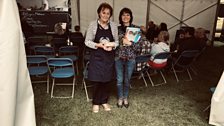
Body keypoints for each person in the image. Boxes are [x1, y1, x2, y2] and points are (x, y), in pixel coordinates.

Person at [84, 2, 118, 113]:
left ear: (110, 15)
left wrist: (112, 46)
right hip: (97, 56)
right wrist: (98, 45)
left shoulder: (113, 26)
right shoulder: (93, 25)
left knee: (106, 80)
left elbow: (117, 42)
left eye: (108, 13)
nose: (105, 15)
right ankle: (95, 102)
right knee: (97, 80)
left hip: (109, 57)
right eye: (103, 13)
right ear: (99, 13)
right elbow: (87, 41)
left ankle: (104, 101)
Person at [115, 7, 143, 108]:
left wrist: (130, 43)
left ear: (131, 17)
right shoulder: (116, 29)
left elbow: (139, 47)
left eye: (127, 15)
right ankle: (120, 97)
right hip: (118, 58)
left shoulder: (136, 29)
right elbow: (114, 44)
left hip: (130, 59)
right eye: (123, 15)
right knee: (119, 80)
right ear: (120, 17)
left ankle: (125, 97)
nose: (125, 17)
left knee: (127, 80)